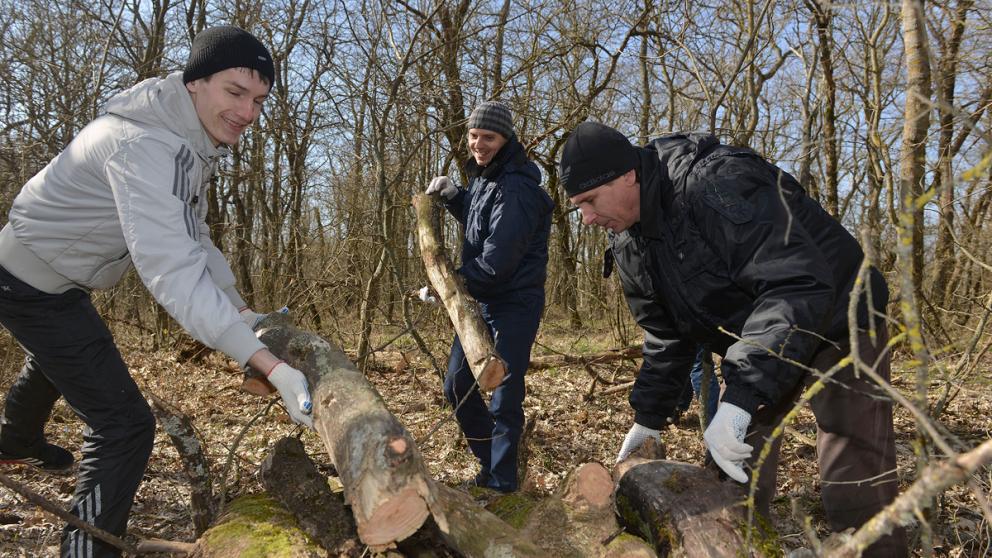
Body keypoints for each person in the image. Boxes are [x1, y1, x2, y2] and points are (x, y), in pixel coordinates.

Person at [0, 26, 313, 557]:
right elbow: (171, 267)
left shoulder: (186, 138)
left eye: (258, 99)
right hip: (27, 284)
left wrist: (240, 307)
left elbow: (195, 236)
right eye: (234, 92)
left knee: (63, 355)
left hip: (51, 279)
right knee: (124, 425)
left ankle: (13, 440)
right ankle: (86, 549)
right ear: (195, 83)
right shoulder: (145, 143)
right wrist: (272, 366)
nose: (248, 112)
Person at [560, 121, 905, 556]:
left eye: (590, 200)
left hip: (840, 316)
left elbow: (795, 285)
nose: (587, 218)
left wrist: (742, 396)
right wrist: (648, 417)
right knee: (731, 469)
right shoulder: (628, 241)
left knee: (853, 463)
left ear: (628, 174)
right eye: (579, 207)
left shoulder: (714, 185)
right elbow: (667, 334)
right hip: (760, 335)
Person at [423, 101, 553, 493]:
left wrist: (450, 285)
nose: (478, 144)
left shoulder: (517, 188)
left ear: (506, 139)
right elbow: (483, 226)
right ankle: (489, 464)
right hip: (483, 300)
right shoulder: (486, 178)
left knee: (504, 394)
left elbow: (498, 260)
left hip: (514, 303)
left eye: (489, 137)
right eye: (474, 136)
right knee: (457, 386)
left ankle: (502, 483)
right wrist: (454, 198)